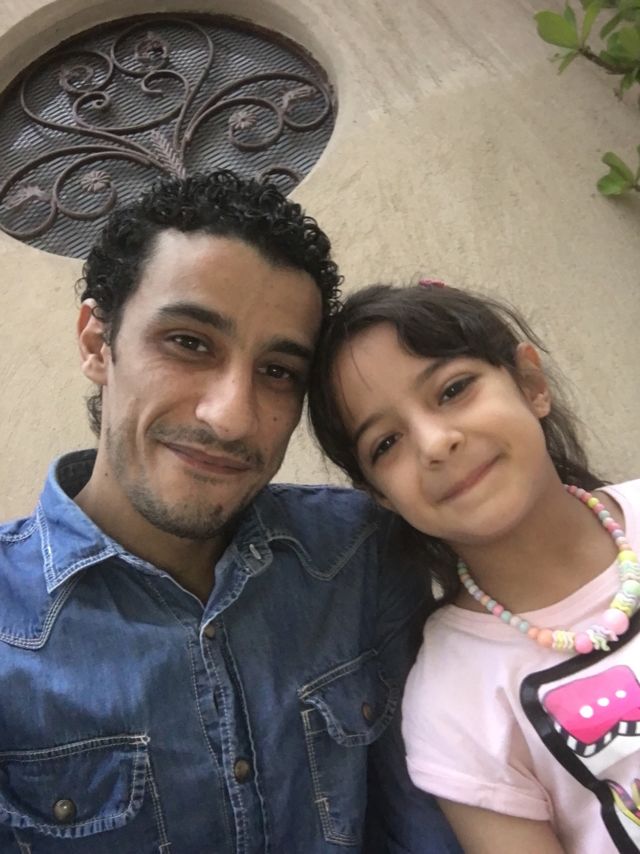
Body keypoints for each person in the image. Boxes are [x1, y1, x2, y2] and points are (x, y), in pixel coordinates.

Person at [0, 173, 461, 853]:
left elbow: (422, 818)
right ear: (98, 343)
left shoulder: (359, 553)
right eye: (189, 342)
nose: (232, 417)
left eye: (278, 371)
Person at [308, 281, 640, 854]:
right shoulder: (451, 699)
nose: (435, 443)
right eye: (386, 443)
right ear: (382, 497)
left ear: (531, 384)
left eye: (453, 389)